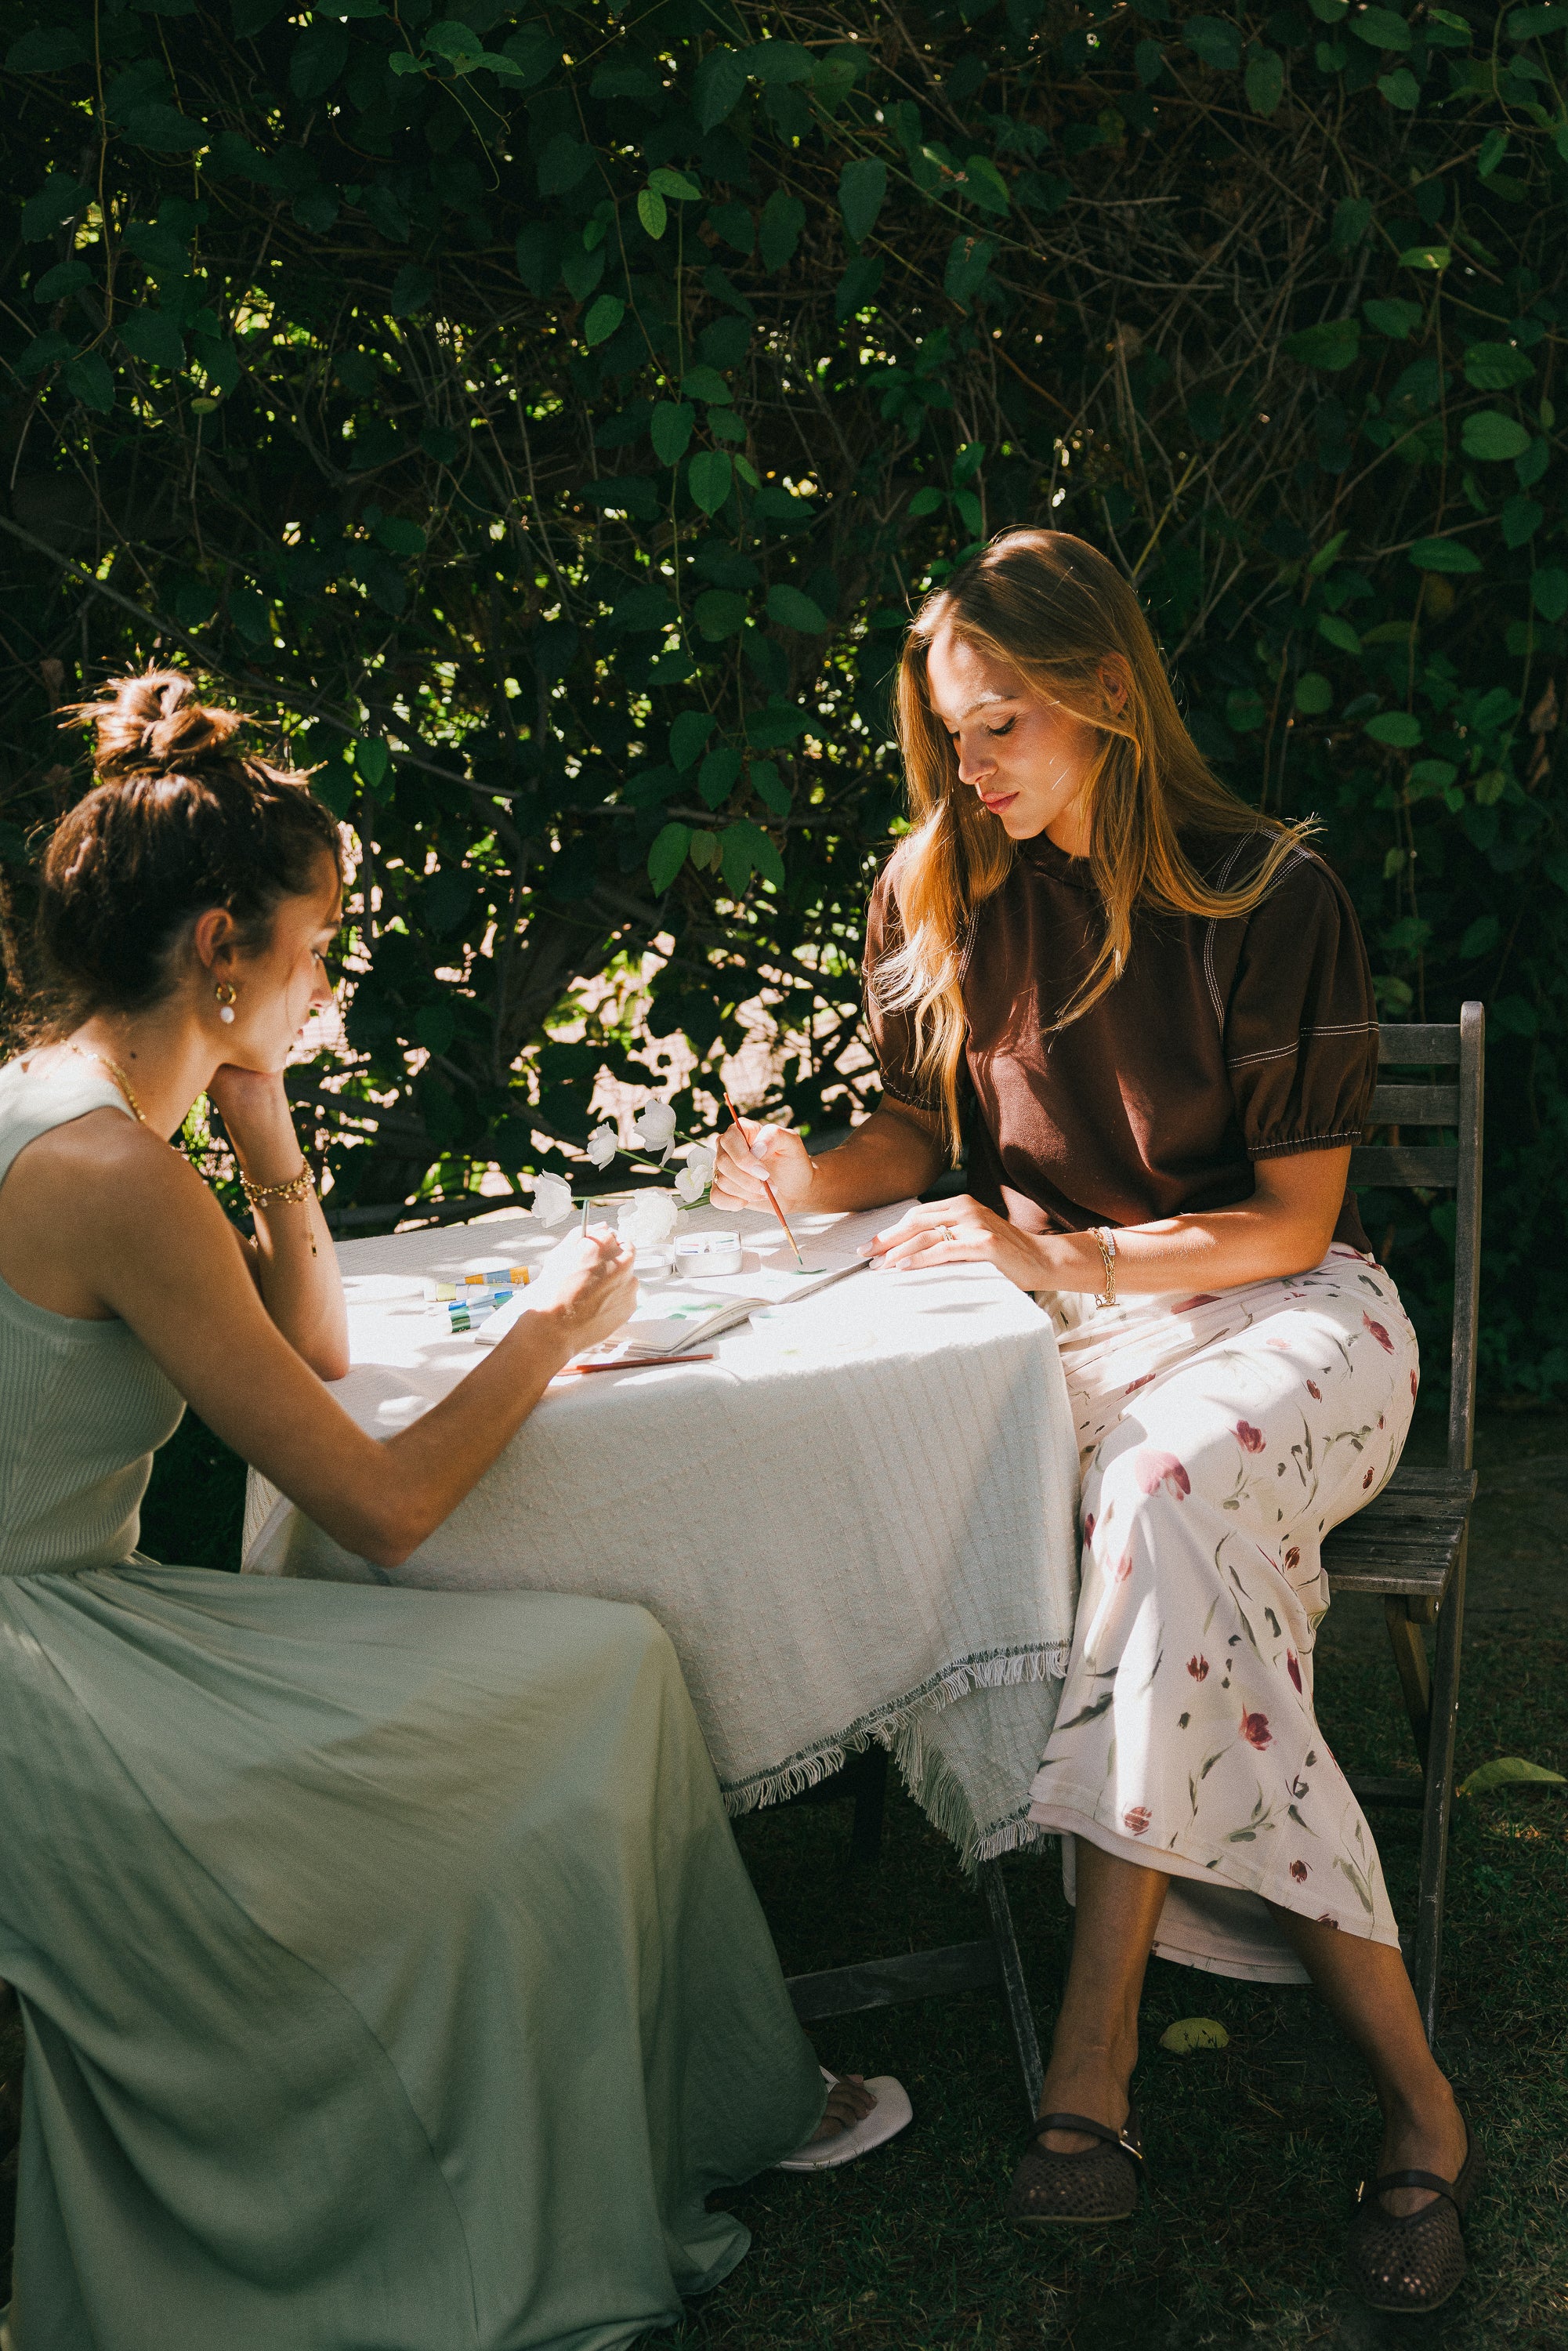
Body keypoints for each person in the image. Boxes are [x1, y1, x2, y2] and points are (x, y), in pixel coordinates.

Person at [0, 671, 904, 2351]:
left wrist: (260, 1111)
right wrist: (546, 1334)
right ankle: (592, 2139)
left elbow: (313, 1348)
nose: (329, 984)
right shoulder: (110, 1174)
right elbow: (385, 1505)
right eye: (319, 948)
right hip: (46, 1688)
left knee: (603, 1673)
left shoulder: (81, 1106)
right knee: (593, 1678)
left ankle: (696, 2100)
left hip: (70, 1621)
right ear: (223, 947)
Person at [712, 531, 1476, 2316]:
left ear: (1109, 693)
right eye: (946, 731)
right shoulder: (941, 888)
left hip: (1291, 1321)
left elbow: (1287, 1222)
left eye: (1001, 724)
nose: (967, 765)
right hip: (1073, 1337)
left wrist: (1060, 1262)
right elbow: (921, 1134)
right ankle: (1412, 2094)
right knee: (1152, 1521)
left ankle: (1093, 2043)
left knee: (1156, 1491)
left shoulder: (1269, 891)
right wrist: (806, 1175)